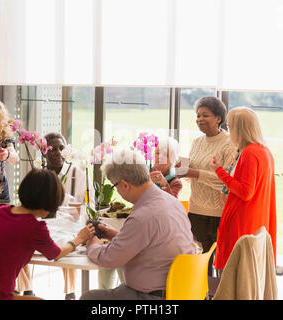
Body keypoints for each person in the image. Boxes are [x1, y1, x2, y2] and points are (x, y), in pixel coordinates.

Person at [80, 149, 196, 300]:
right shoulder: (173, 203)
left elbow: (109, 259)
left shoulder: (143, 216)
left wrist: (92, 241)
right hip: (181, 289)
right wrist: (116, 234)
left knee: (89, 298)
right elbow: (155, 242)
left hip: (152, 296)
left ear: (125, 185)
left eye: (115, 186)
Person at [0, 168, 95, 300]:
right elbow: (55, 254)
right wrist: (79, 239)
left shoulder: (0, 210)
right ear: (50, 202)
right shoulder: (34, 228)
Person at [210, 106, 277, 274]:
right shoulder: (264, 151)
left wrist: (219, 171)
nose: (228, 130)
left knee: (236, 272)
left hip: (242, 221)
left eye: (230, 126)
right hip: (256, 219)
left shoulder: (249, 153)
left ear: (239, 128)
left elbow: (246, 192)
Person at [177, 96, 237, 275]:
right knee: (199, 265)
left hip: (219, 213)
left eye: (205, 115)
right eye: (198, 115)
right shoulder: (197, 142)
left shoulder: (229, 143)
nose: (199, 119)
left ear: (218, 118)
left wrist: (195, 173)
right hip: (196, 210)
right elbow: (192, 175)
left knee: (220, 265)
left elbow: (225, 181)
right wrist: (182, 170)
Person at [43, 132, 92, 300]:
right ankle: (26, 289)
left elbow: (88, 206)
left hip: (70, 228)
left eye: (61, 148)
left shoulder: (78, 174)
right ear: (44, 151)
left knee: (67, 241)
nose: (57, 153)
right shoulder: (40, 175)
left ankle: (69, 293)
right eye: (52, 149)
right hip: (44, 227)